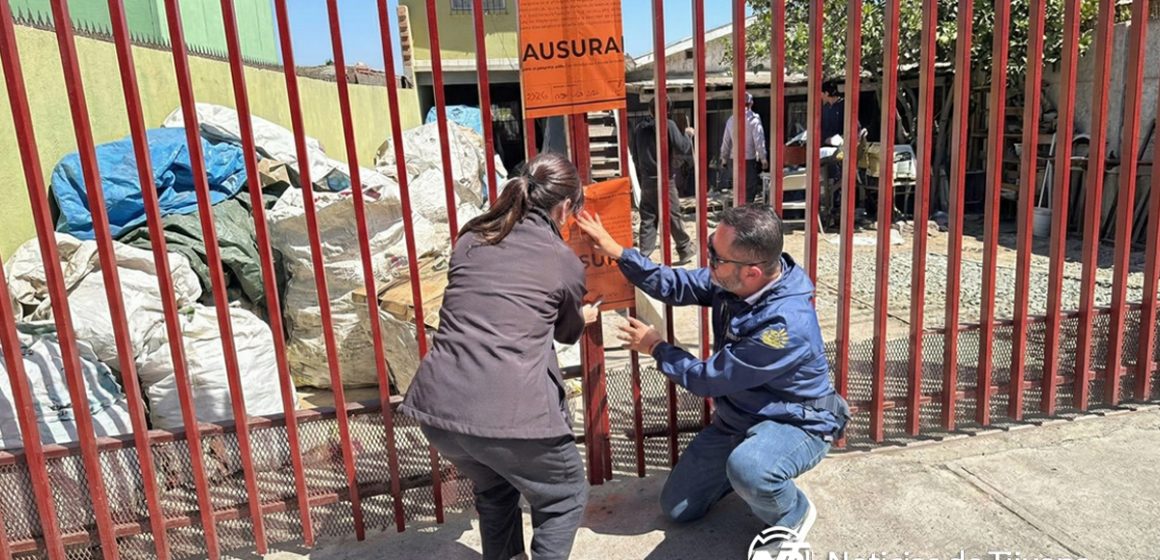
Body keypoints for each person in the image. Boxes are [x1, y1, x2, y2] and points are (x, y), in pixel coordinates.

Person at [576, 204, 849, 552]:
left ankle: (791, 513)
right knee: (677, 508)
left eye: (716, 258)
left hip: (795, 421)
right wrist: (619, 254)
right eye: (710, 248)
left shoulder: (783, 326)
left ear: (751, 272)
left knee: (749, 468)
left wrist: (656, 347)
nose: (709, 263)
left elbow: (708, 379)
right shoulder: (733, 279)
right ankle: (751, 475)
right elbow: (677, 284)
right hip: (741, 417)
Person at [401, 152, 600, 560]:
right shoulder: (561, 259)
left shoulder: (471, 238)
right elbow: (565, 332)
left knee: (495, 491)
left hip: (440, 412)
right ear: (564, 207)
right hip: (510, 417)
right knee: (564, 496)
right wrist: (585, 316)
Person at [631, 101, 696, 265]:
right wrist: (688, 135)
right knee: (673, 215)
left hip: (647, 180)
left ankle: (644, 255)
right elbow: (682, 147)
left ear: (649, 110)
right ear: (667, 110)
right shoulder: (668, 125)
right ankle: (685, 250)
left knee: (648, 218)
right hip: (665, 179)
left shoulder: (640, 129)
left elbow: (635, 156)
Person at [720, 92, 768, 204]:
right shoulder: (754, 121)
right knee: (750, 191)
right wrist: (763, 158)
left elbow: (726, 141)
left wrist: (724, 158)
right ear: (751, 103)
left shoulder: (731, 120)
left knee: (738, 190)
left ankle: (739, 213)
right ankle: (746, 216)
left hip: (734, 160)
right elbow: (759, 141)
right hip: (748, 161)